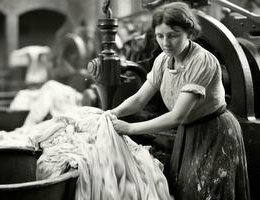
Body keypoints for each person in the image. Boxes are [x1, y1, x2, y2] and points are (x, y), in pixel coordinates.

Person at [106, 2, 251, 200]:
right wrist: (113, 113)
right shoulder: (163, 60)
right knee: (185, 191)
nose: (166, 42)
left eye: (173, 35)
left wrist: (129, 128)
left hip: (215, 133)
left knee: (208, 193)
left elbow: (177, 116)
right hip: (189, 132)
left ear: (189, 33)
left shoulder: (202, 61)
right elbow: (140, 99)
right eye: (160, 36)